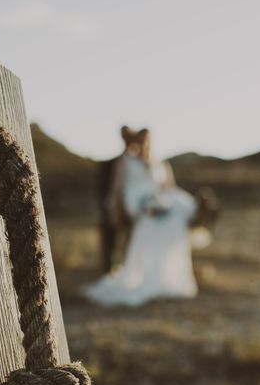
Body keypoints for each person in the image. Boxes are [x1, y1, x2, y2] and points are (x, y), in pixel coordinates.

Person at [84, 126, 199, 307]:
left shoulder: (160, 163)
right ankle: (147, 277)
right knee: (153, 225)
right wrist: (113, 209)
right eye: (141, 140)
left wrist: (163, 203)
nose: (144, 144)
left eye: (147, 140)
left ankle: (166, 277)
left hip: (158, 203)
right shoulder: (125, 161)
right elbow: (116, 188)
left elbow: (168, 188)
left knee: (175, 223)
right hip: (138, 206)